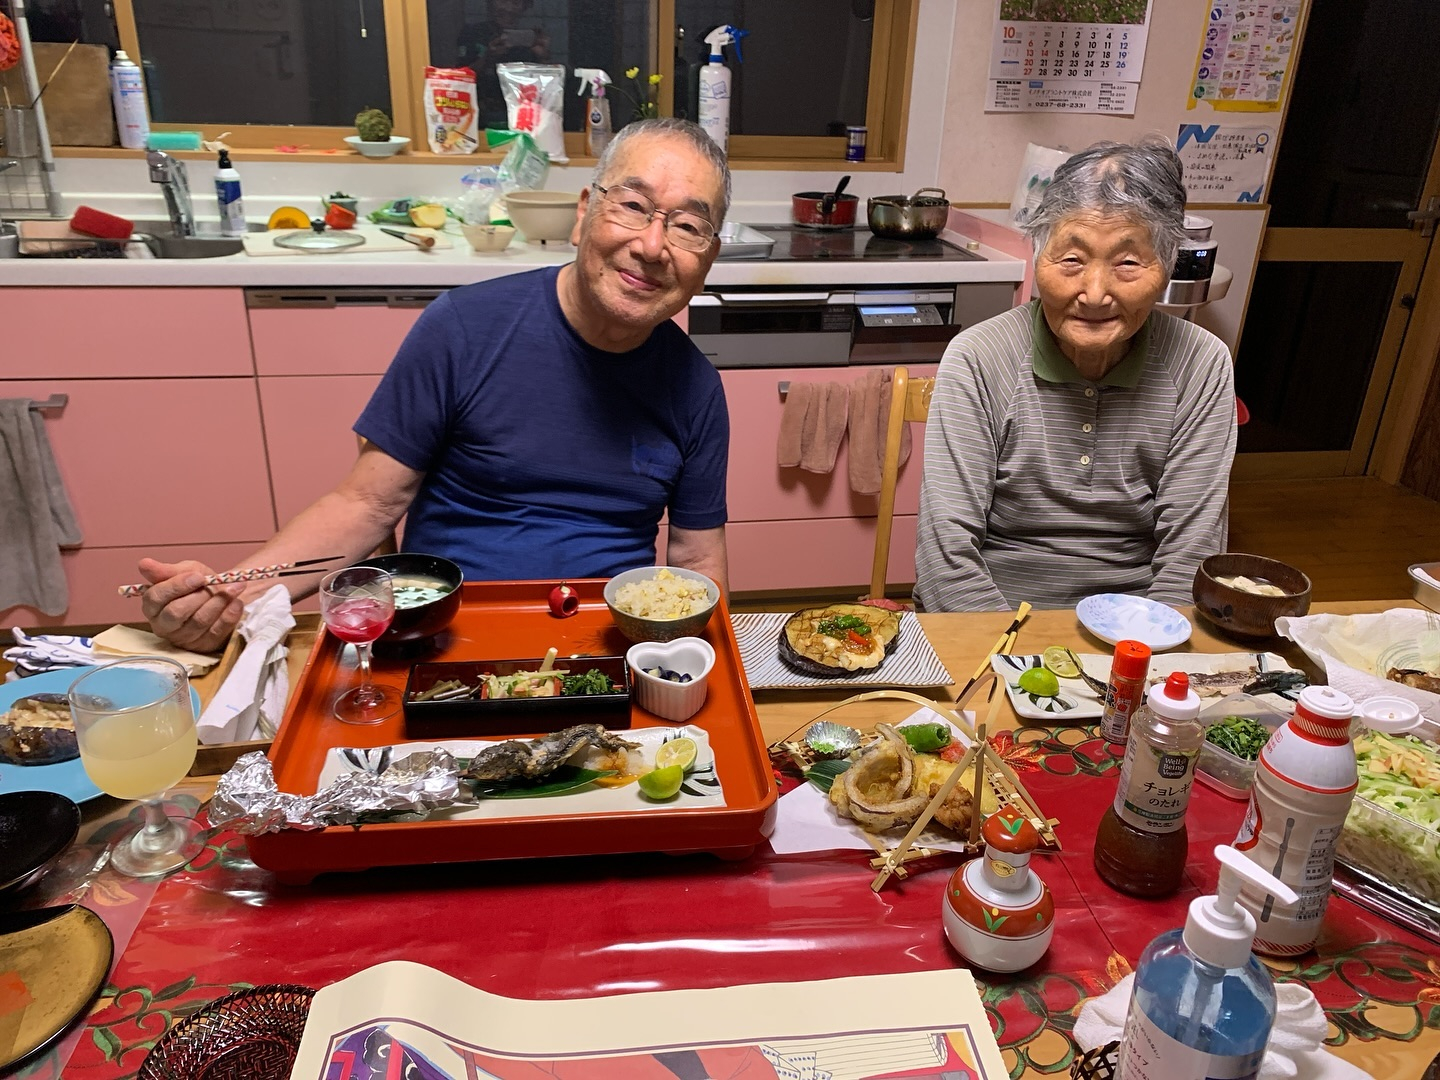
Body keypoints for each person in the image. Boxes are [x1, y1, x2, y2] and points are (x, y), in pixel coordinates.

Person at [140, 118, 732, 652]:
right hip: (446, 635)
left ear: (708, 258)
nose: (652, 246)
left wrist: (697, 670)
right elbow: (367, 502)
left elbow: (697, 559)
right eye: (632, 205)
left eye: (686, 226)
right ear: (584, 211)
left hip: (607, 640)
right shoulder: (464, 328)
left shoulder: (696, 387)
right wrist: (235, 598)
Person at [913, 137, 1236, 613]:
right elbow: (946, 558)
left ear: (1165, 266)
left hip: (1137, 625)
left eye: (1127, 262)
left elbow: (1191, 556)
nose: (1094, 292)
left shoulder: (1200, 364)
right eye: (1071, 260)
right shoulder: (978, 357)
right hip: (990, 615)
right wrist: (1015, 664)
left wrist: (1143, 656)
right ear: (1038, 255)